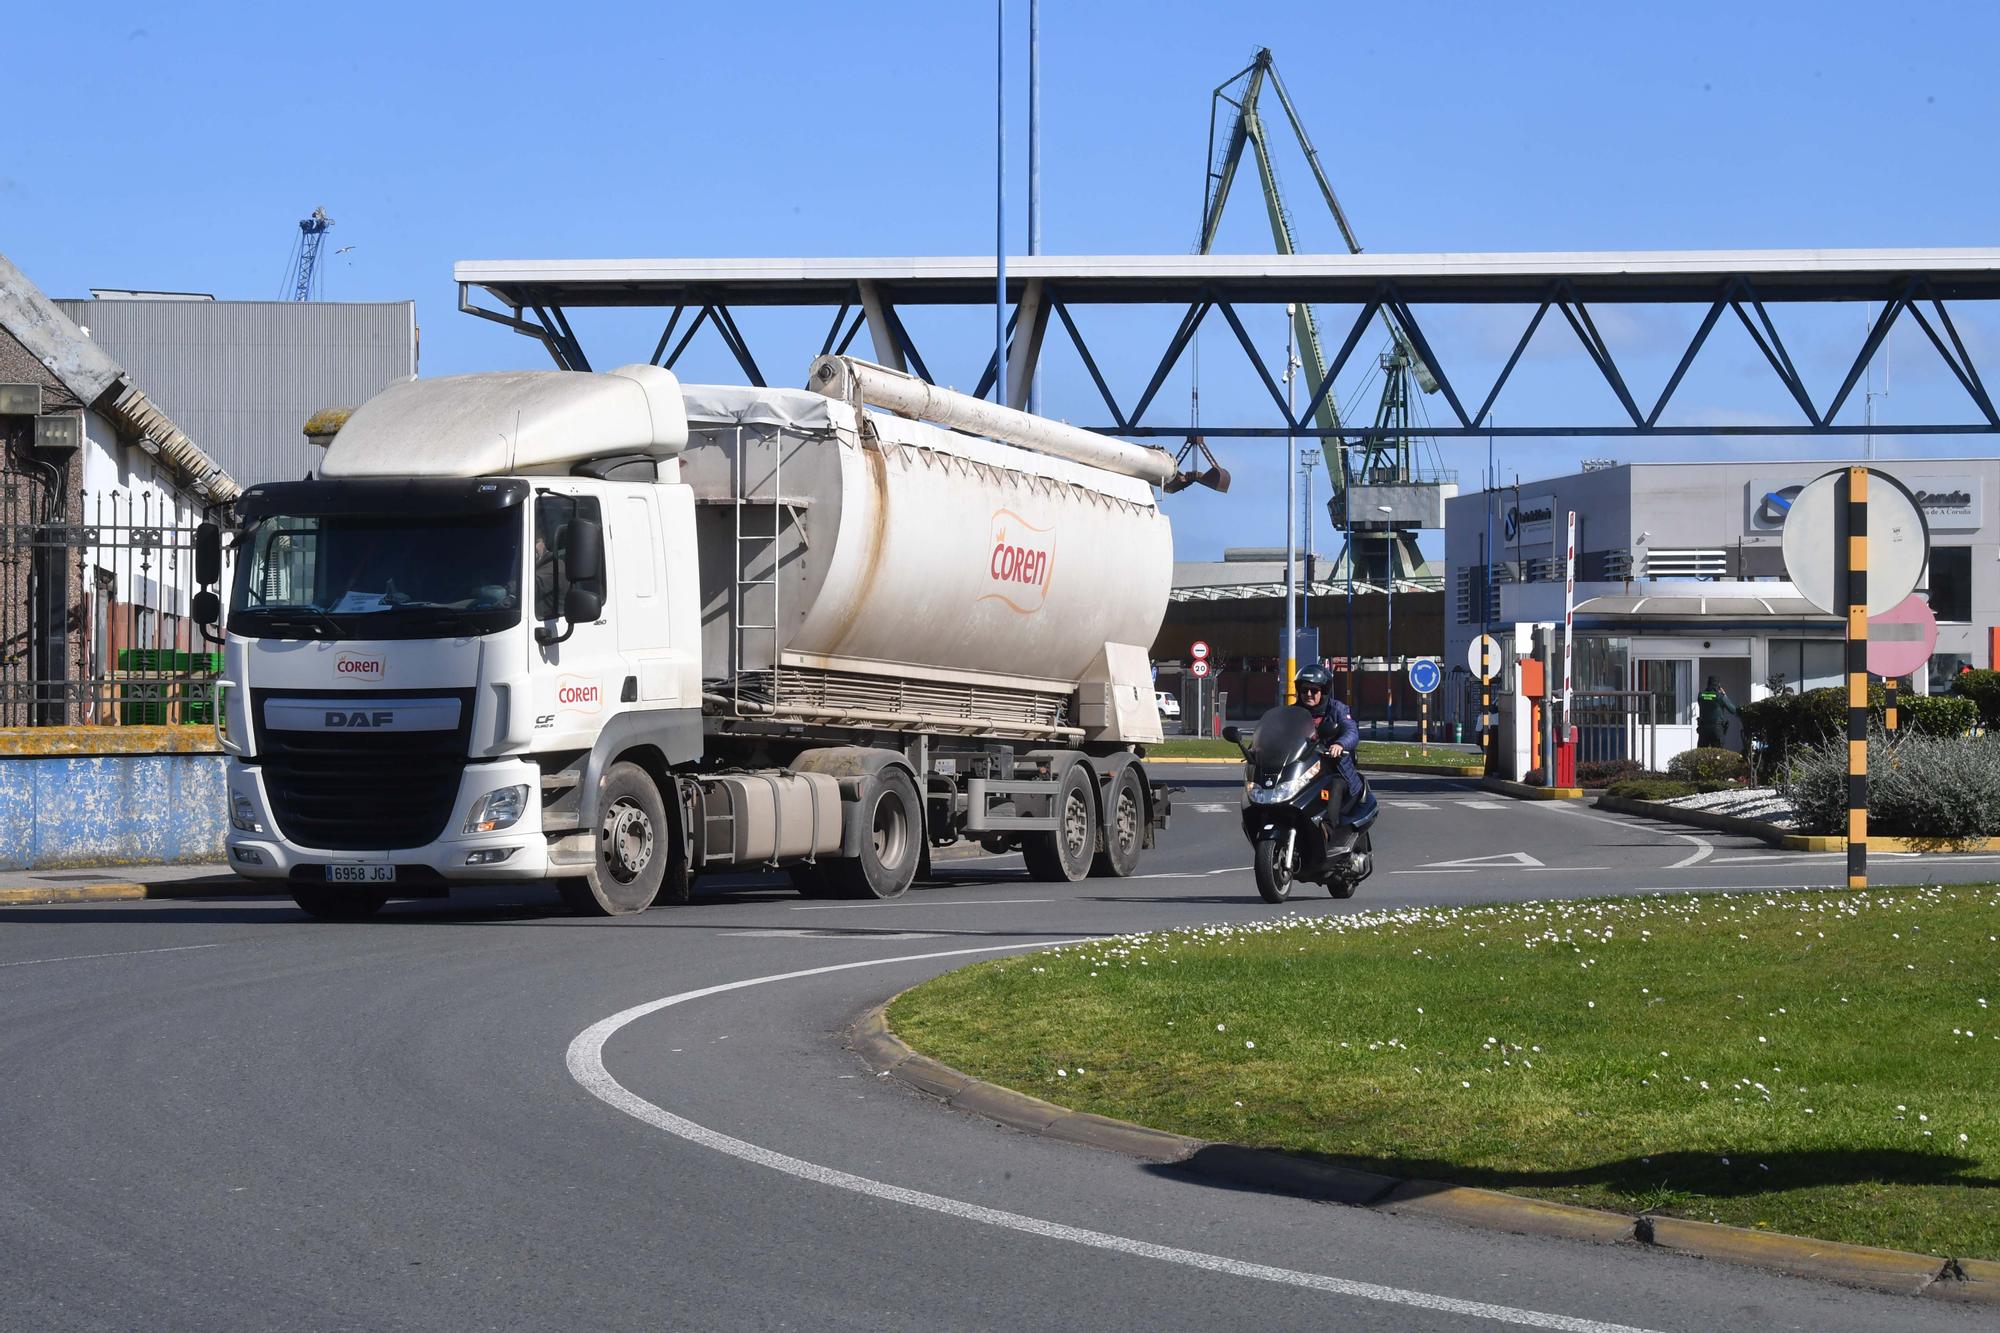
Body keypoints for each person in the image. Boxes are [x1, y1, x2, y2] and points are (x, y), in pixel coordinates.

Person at [1294, 663, 1362, 797]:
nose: (1308, 694)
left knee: (1335, 787)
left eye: (1313, 691)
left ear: (1323, 692)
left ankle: (1332, 819)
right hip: (1301, 768)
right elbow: (1278, 732)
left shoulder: (1337, 709)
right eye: (1304, 690)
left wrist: (1339, 744)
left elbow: (1351, 731)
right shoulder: (1292, 712)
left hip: (1333, 767)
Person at [1697, 675, 1737, 748]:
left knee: (1702, 753)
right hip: (1716, 728)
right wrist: (1724, 695)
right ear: (1718, 685)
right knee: (1718, 754)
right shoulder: (1720, 696)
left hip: (1703, 728)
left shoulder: (1701, 695)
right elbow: (1733, 710)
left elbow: (1701, 705)